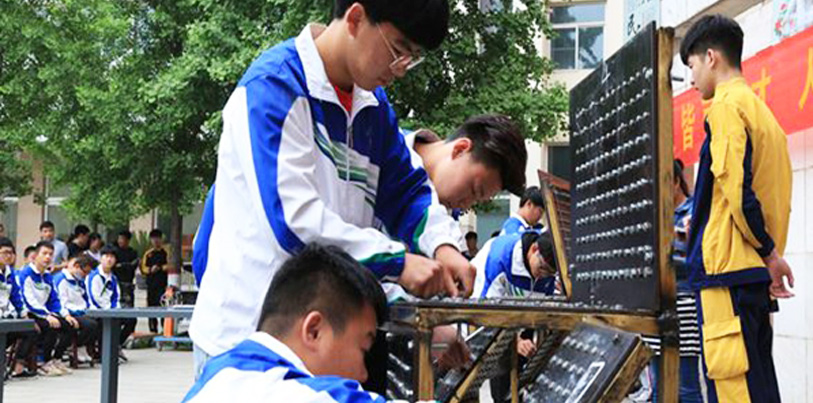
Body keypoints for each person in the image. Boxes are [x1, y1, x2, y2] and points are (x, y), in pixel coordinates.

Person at [189, 0, 474, 381]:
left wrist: (443, 246)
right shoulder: (275, 86)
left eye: (412, 58)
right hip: (247, 338)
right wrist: (398, 262)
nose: (400, 68)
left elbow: (407, 191)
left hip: (324, 346)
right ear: (355, 18)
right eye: (398, 50)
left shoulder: (374, 109)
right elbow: (294, 221)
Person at [681, 15, 794, 403]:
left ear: (711, 57)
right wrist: (769, 255)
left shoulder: (726, 107)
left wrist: (769, 253)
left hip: (727, 274)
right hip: (751, 276)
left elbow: (738, 191)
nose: (692, 80)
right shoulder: (763, 115)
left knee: (732, 388)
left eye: (692, 65)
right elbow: (766, 196)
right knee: (759, 386)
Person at [183, 243, 391, 402]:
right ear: (314, 331)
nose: (363, 375)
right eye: (363, 350)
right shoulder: (283, 391)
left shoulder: (220, 374)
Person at [640, 159, 703, 402]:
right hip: (656, 306)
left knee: (686, 386)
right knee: (659, 388)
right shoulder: (653, 214)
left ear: (676, 182)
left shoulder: (694, 212)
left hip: (684, 304)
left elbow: (695, 259)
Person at [470, 231, 558, 403]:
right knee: (498, 367)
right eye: (542, 268)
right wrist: (515, 341)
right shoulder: (500, 258)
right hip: (486, 312)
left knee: (522, 370)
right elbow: (487, 311)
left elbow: (544, 311)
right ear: (534, 249)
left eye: (549, 273)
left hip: (522, 315)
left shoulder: (546, 274)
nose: (543, 275)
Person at [405, 114, 527, 210]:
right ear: (460, 149)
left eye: (475, 201)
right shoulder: (393, 147)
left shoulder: (444, 219)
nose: (464, 205)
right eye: (474, 191)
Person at [17, 241, 75, 376]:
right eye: (44, 254)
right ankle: (42, 361)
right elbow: (28, 300)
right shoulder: (26, 273)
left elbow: (54, 300)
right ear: (35, 256)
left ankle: (56, 359)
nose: (48, 257)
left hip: (45, 312)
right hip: (30, 312)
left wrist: (65, 314)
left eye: (50, 254)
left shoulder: (48, 276)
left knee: (69, 325)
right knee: (51, 326)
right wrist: (46, 315)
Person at [87, 245, 137, 361]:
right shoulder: (94, 276)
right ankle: (103, 354)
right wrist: (109, 309)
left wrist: (115, 309)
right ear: (101, 258)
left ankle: (116, 345)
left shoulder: (113, 277)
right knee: (105, 322)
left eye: (112, 257)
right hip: (97, 311)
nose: (109, 259)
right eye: (106, 256)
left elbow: (116, 296)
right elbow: (94, 298)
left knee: (131, 319)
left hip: (111, 309)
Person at [53, 254, 100, 364]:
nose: (85, 276)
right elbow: (61, 302)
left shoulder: (79, 281)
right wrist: (73, 313)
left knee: (102, 321)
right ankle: (75, 347)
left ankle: (84, 347)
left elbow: (86, 299)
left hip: (82, 311)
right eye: (85, 272)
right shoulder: (61, 279)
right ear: (77, 266)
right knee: (91, 325)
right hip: (69, 313)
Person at [0, 237, 35, 378]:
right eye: (5, 252)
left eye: (11, 253)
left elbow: (16, 297)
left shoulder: (11, 273)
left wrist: (24, 315)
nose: (9, 256)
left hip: (7, 317)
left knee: (29, 330)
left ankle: (17, 367)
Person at [141, 229, 172, 333]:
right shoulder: (148, 254)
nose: (156, 241)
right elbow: (143, 268)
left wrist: (161, 268)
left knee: (163, 307)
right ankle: (152, 330)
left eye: (158, 238)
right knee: (151, 308)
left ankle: (164, 330)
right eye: (153, 239)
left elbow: (171, 264)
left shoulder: (166, 252)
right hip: (151, 285)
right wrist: (150, 270)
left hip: (162, 285)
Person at [113, 230, 139, 308]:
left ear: (128, 240)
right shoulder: (115, 252)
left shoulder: (133, 252)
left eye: (122, 239)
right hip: (117, 282)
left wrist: (122, 265)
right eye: (119, 239)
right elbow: (114, 266)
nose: (120, 241)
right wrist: (126, 265)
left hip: (128, 283)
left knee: (128, 305)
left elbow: (133, 265)